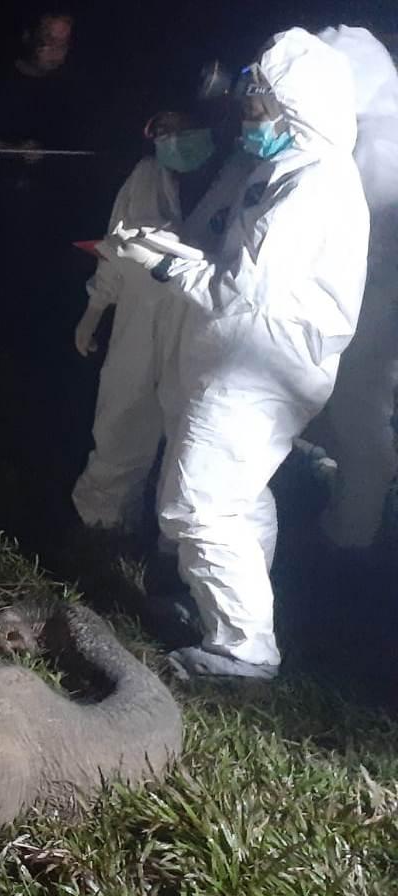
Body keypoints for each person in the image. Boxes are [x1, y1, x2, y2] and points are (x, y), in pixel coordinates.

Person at [108, 29, 368, 680]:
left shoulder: (313, 183)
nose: (248, 120)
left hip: (260, 364)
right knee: (239, 498)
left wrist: (163, 265)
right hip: (251, 357)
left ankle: (243, 652)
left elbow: (238, 293)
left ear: (297, 108)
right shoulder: (288, 168)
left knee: (200, 504)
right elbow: (237, 269)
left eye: (258, 109)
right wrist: (177, 252)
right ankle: (230, 617)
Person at [70, 92, 254, 533]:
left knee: (189, 432)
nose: (168, 139)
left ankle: (175, 546)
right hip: (138, 318)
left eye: (175, 127)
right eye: (159, 130)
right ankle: (101, 524)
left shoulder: (244, 179)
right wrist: (95, 308)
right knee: (119, 416)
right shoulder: (146, 174)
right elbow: (116, 244)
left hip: (199, 326)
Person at [304, 26, 398, 550]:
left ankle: (351, 535)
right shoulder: (372, 130)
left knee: (361, 411)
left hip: (371, 300)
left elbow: (370, 234)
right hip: (362, 294)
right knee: (351, 408)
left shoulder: (380, 145)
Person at [0, 11, 78, 160]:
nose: (56, 50)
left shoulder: (70, 89)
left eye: (63, 43)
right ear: (28, 36)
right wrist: (11, 150)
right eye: (49, 39)